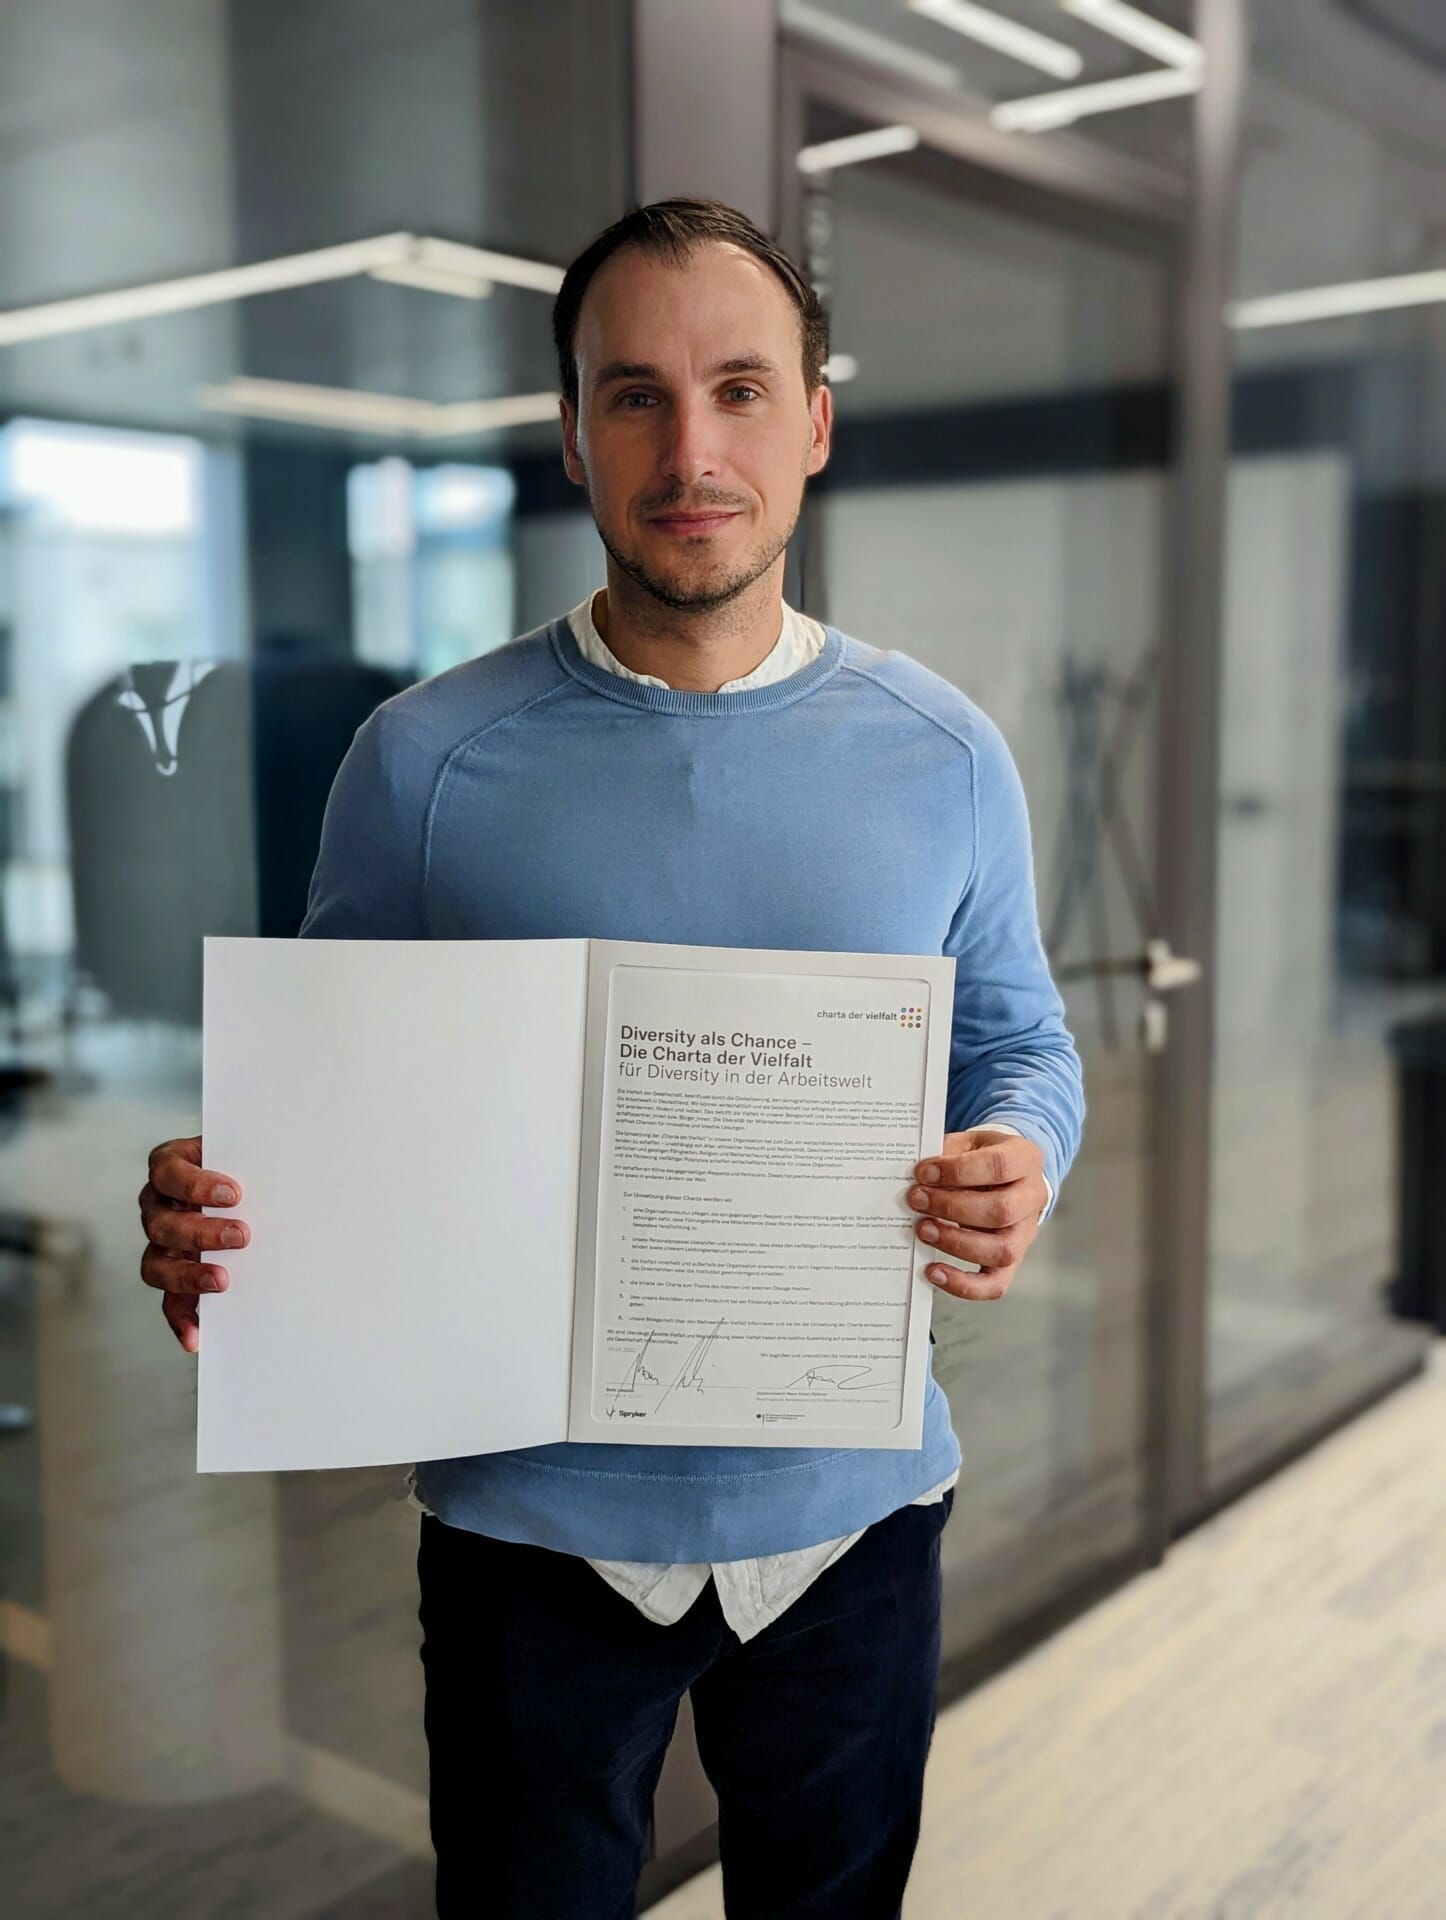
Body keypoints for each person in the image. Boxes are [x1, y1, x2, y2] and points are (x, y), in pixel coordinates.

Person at [138, 198, 1085, 1919]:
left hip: (852, 1509)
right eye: (632, 394)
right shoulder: (421, 760)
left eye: (739, 388)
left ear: (812, 421)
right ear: (571, 430)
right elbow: (327, 1100)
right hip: (528, 1528)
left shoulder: (943, 753)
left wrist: (1018, 1148)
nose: (690, 446)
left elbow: (1018, 1034)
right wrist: (221, 1202)